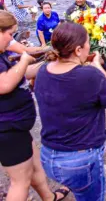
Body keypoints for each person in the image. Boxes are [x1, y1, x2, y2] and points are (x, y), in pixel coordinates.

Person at [35, 22, 106, 201]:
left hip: (49, 156)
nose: (90, 46)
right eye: (88, 43)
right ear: (79, 49)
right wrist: (97, 65)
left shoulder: (43, 71)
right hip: (79, 160)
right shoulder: (89, 76)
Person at [0, 11, 69, 201]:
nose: (12, 39)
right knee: (20, 181)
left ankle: (48, 197)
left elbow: (23, 74)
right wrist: (23, 59)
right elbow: (4, 84)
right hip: (7, 128)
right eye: (9, 34)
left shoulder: (4, 53)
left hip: (17, 126)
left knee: (35, 165)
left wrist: (48, 63)